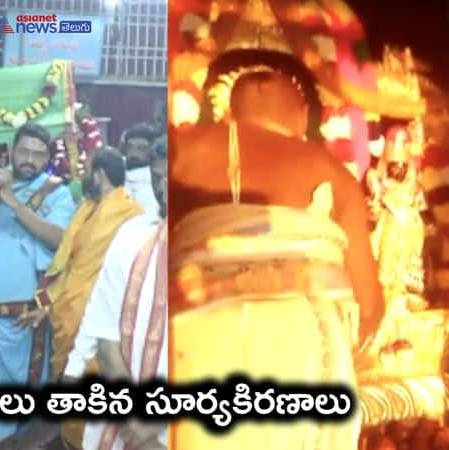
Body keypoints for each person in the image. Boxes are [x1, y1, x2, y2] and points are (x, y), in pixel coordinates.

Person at [170, 65, 384, 450]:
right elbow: (370, 307)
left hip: (195, 343)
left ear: (228, 107)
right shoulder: (334, 175)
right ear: (301, 114)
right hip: (304, 353)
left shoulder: (183, 148)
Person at [0, 122, 76, 450]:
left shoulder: (57, 192)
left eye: (38, 153)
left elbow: (60, 239)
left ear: (47, 157)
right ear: (11, 151)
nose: (29, 159)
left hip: (22, 321)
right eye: (24, 151)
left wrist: (14, 204)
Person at [20, 148, 143, 449]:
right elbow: (68, 262)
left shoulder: (131, 214)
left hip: (101, 317)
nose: (82, 175)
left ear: (99, 172)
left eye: (86, 168)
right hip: (70, 310)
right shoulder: (87, 208)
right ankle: (71, 440)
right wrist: (45, 305)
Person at [63, 139, 168, 450]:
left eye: (170, 178)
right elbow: (106, 333)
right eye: (156, 176)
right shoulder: (133, 233)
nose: (162, 189)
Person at [120, 123, 161, 220]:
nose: (134, 153)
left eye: (141, 148)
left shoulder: (158, 182)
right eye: (130, 147)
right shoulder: (115, 171)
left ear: (152, 151)